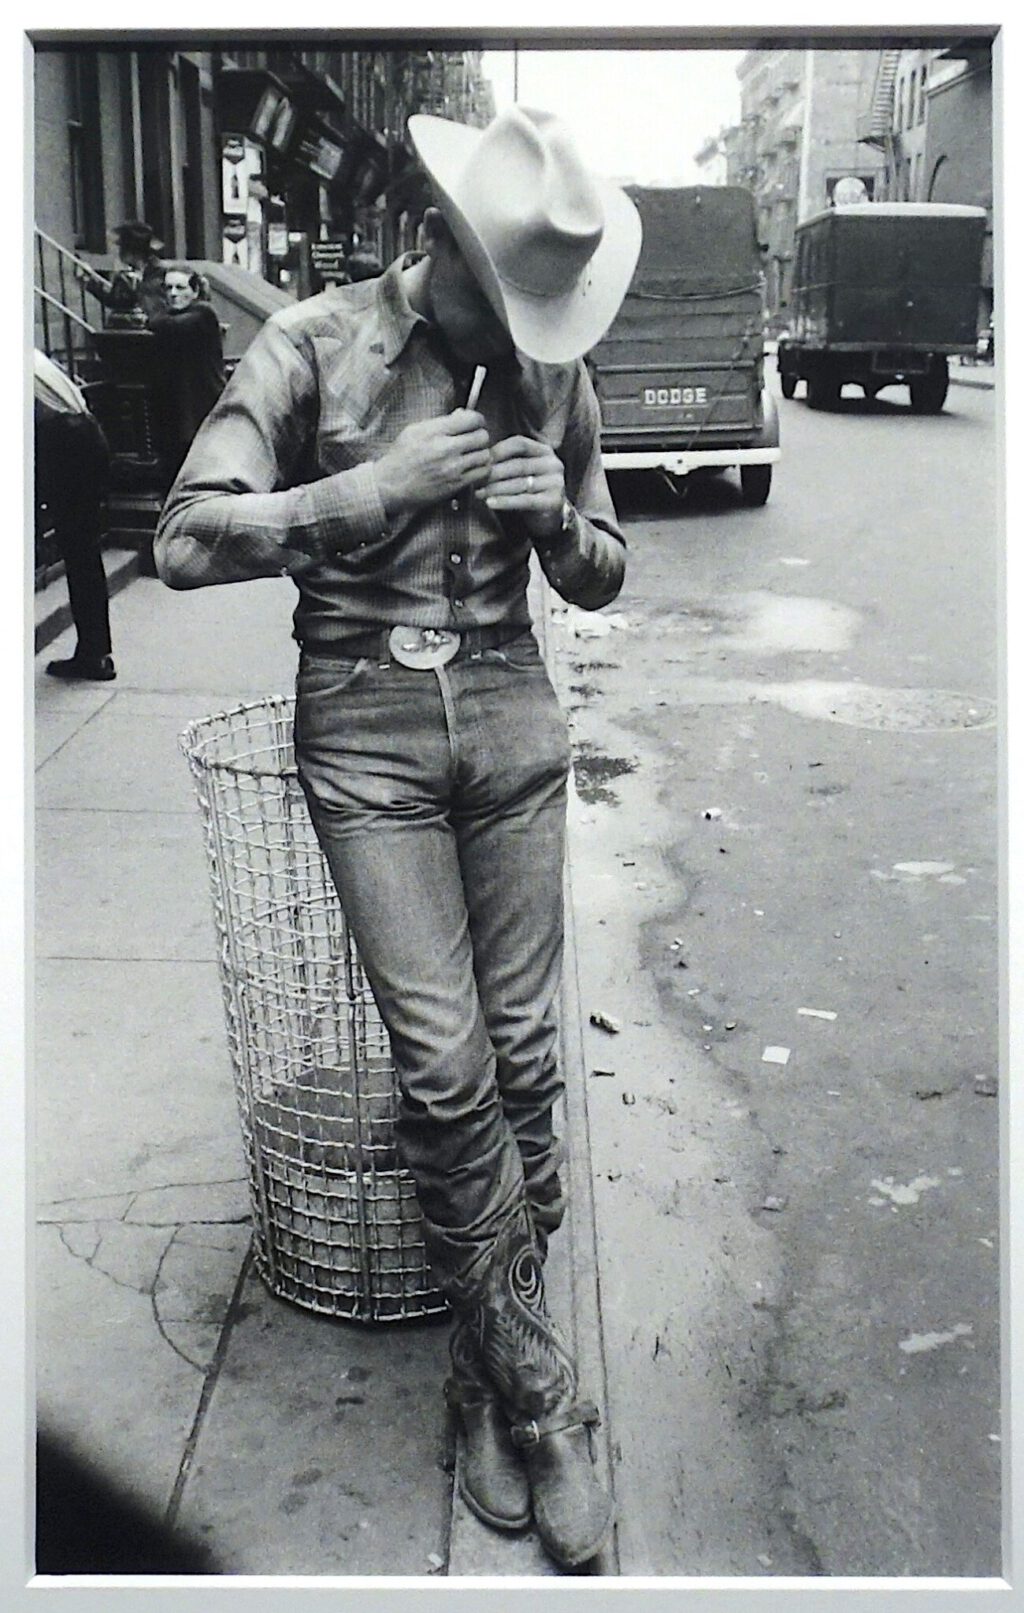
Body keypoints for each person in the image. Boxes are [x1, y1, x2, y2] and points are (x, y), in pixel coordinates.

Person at [154, 105, 641, 1570]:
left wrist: (561, 523)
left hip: (510, 710)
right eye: (514, 298)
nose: (533, 333)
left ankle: (494, 1367)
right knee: (446, 1063)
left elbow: (608, 570)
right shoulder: (307, 344)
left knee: (531, 1055)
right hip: (362, 716)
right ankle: (544, 1395)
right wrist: (363, 494)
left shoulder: (556, 371)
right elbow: (184, 535)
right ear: (441, 244)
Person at [34, 350, 115, 682]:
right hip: (83, 436)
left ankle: (93, 655)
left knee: (79, 553)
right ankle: (95, 653)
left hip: (63, 443)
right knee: (84, 554)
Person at [147, 263, 226, 484]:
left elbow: (165, 325)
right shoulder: (174, 315)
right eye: (168, 288)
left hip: (201, 405)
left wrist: (153, 317)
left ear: (195, 291)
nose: (172, 294)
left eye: (180, 288)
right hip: (179, 409)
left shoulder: (203, 313)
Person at [76, 220, 166, 328]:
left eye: (122, 248)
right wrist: (90, 282)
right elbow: (116, 301)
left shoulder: (159, 273)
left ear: (129, 251)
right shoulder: (128, 276)